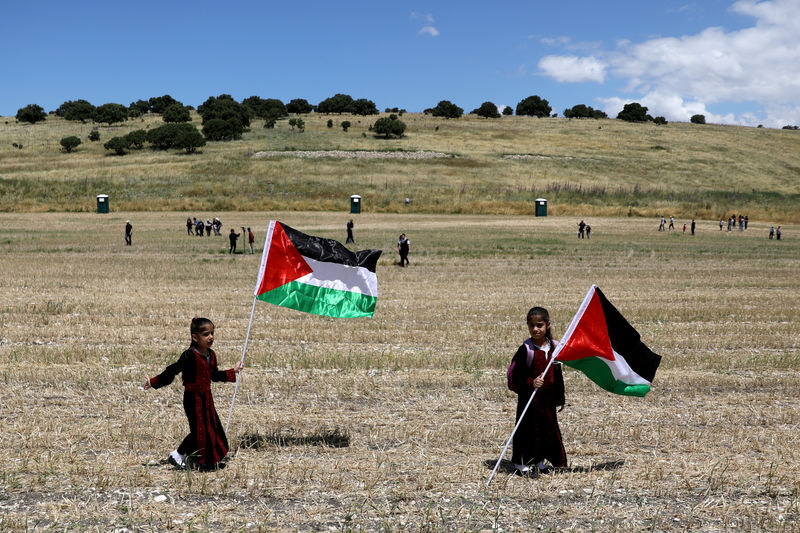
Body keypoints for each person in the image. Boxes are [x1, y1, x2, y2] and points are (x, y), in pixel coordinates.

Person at [143, 317, 244, 470]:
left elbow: (214, 375)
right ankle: (178, 455)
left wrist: (233, 371)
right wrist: (154, 381)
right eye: (206, 334)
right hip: (192, 399)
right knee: (200, 431)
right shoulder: (189, 355)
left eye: (212, 333)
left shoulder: (211, 355)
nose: (210, 337)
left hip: (206, 398)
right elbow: (173, 370)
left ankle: (205, 461)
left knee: (213, 429)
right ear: (195, 337)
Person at [508, 306, 567, 476]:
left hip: (547, 400)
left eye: (539, 325)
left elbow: (557, 374)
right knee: (527, 431)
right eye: (532, 325)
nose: (536, 329)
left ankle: (540, 462)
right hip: (529, 399)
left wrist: (560, 398)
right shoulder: (525, 349)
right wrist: (531, 382)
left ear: (547, 325)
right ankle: (522, 465)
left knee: (545, 430)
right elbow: (517, 375)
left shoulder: (554, 347)